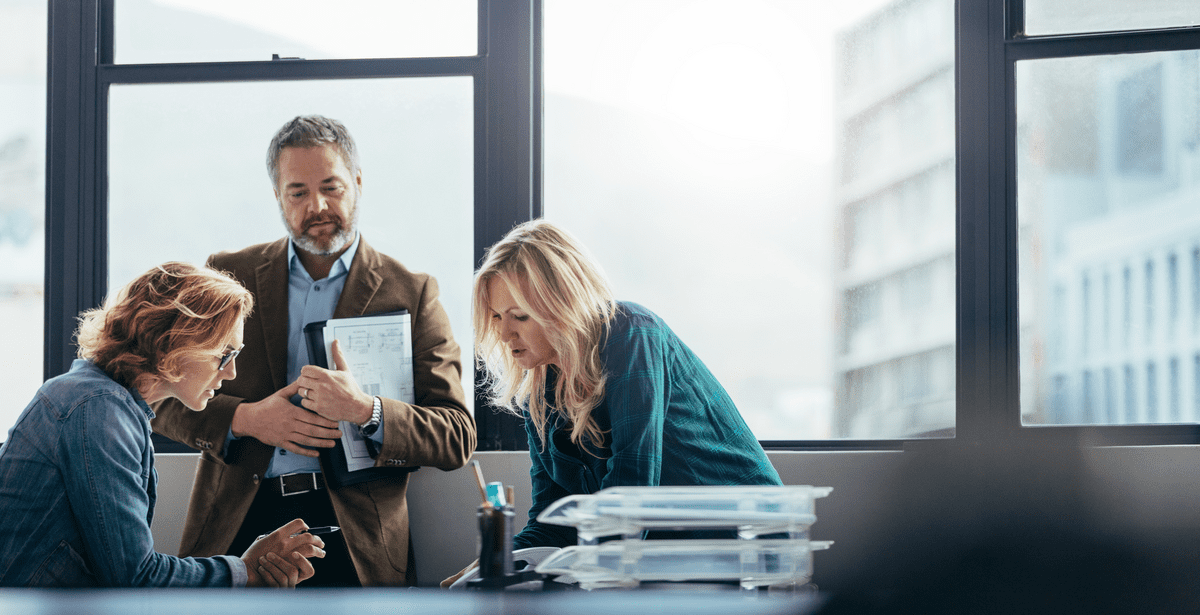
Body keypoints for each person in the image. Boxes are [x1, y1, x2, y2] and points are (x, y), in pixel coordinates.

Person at [151, 115, 476, 587]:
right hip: (239, 521)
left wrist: (366, 410)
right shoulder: (227, 275)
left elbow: (455, 436)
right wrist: (246, 419)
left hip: (357, 539)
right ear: (278, 197)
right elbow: (157, 396)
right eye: (298, 192)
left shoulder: (412, 292)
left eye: (331, 187)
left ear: (358, 183)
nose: (318, 206)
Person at [0, 262, 325, 588]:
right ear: (175, 342)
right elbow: (136, 578)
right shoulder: (98, 412)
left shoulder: (103, 401)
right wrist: (245, 570)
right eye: (223, 355)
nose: (231, 373)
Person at [472, 219, 782, 551]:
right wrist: (496, 566)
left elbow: (631, 491)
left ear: (562, 308)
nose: (504, 335)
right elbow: (551, 523)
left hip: (745, 545)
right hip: (664, 557)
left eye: (519, 316)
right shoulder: (538, 392)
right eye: (496, 316)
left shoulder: (631, 332)